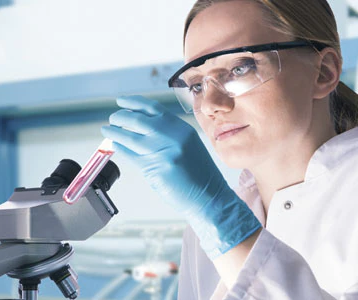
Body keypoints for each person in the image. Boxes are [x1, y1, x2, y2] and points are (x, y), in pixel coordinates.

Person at [101, 0, 358, 298]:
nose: (210, 104)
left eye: (239, 68)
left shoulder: (215, 220)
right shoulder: (203, 234)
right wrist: (215, 220)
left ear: (323, 72)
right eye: (197, 85)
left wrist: (222, 222)